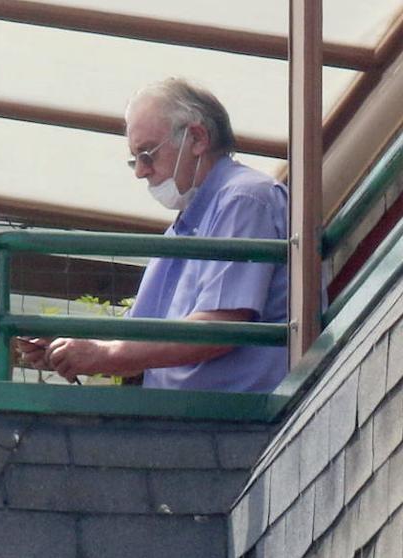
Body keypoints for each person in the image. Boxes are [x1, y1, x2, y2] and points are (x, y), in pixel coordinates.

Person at [17, 78, 289, 392]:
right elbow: (137, 335)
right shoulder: (185, 226)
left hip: (241, 423)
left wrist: (105, 353)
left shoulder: (244, 199)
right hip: (201, 423)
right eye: (135, 159)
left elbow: (220, 327)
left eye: (147, 154)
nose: (140, 171)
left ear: (197, 138)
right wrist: (72, 345)